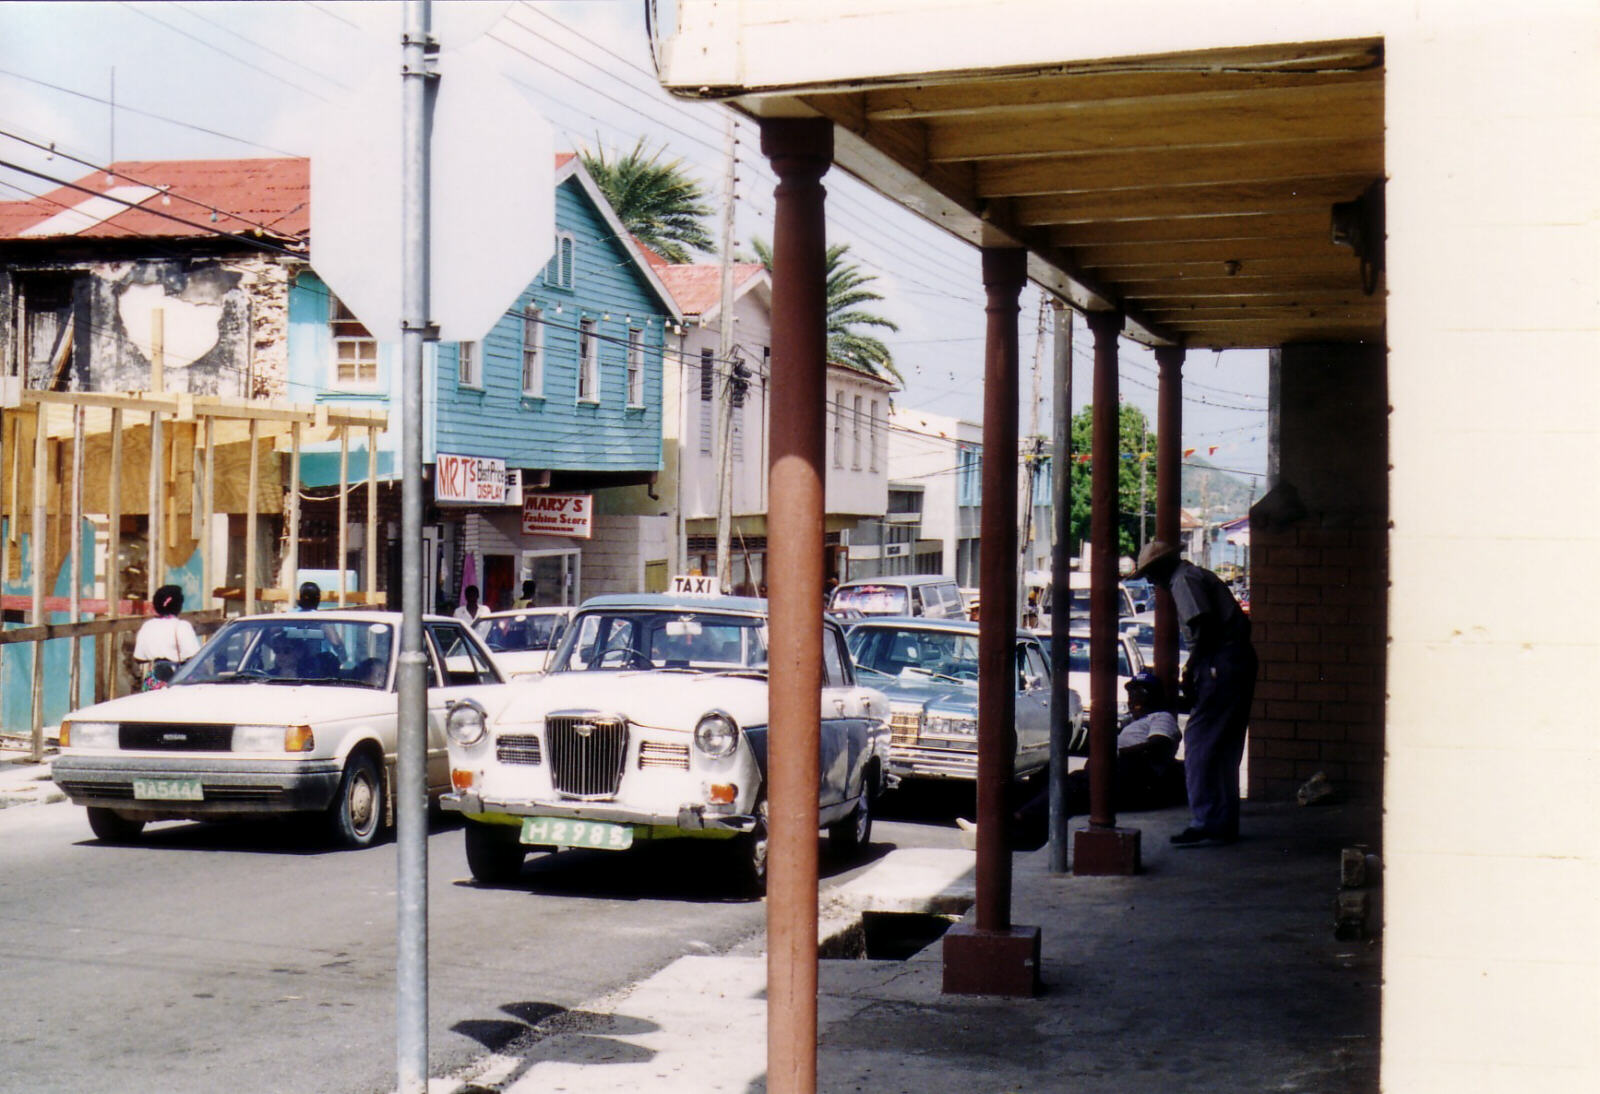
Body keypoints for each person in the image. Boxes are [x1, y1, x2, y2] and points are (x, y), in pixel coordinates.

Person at [1128, 539, 1258, 847]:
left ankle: (1206, 820)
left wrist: (1193, 670)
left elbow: (1204, 628)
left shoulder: (1182, 581)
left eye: (1150, 572)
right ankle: (1222, 820)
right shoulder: (1195, 576)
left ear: (1160, 567)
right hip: (1236, 660)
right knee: (1223, 745)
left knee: (1200, 741)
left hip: (1220, 662)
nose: (1150, 580)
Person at [1009, 671, 1185, 841]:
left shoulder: (1161, 717)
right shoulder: (1134, 723)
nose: (1133, 699)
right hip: (1118, 771)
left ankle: (1021, 819)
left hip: (1134, 774)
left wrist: (1113, 753)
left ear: (1152, 697)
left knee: (1071, 786)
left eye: (1140, 693)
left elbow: (1158, 745)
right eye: (1131, 693)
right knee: (1056, 785)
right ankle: (1025, 822)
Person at [133, 584, 200, 691]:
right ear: (179, 606)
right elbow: (195, 656)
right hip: (176, 679)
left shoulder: (147, 626)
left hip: (154, 682)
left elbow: (139, 658)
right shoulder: (181, 626)